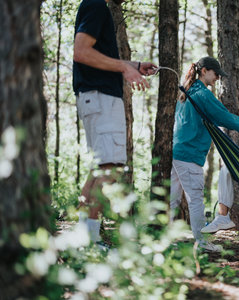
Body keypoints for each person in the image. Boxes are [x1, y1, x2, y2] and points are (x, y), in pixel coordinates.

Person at [73, 0, 157, 246]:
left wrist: (134, 66)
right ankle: (88, 242)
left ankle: (85, 240)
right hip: (100, 98)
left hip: (97, 98)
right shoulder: (95, 4)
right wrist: (123, 67)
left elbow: (94, 55)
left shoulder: (96, 6)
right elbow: (81, 52)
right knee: (109, 168)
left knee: (102, 168)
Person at [170, 56, 239, 252]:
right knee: (195, 199)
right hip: (189, 154)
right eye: (216, 73)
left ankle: (163, 240)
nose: (218, 77)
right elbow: (225, 118)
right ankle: (202, 243)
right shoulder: (202, 94)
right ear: (204, 71)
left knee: (173, 198)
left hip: (177, 150)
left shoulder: (186, 91)